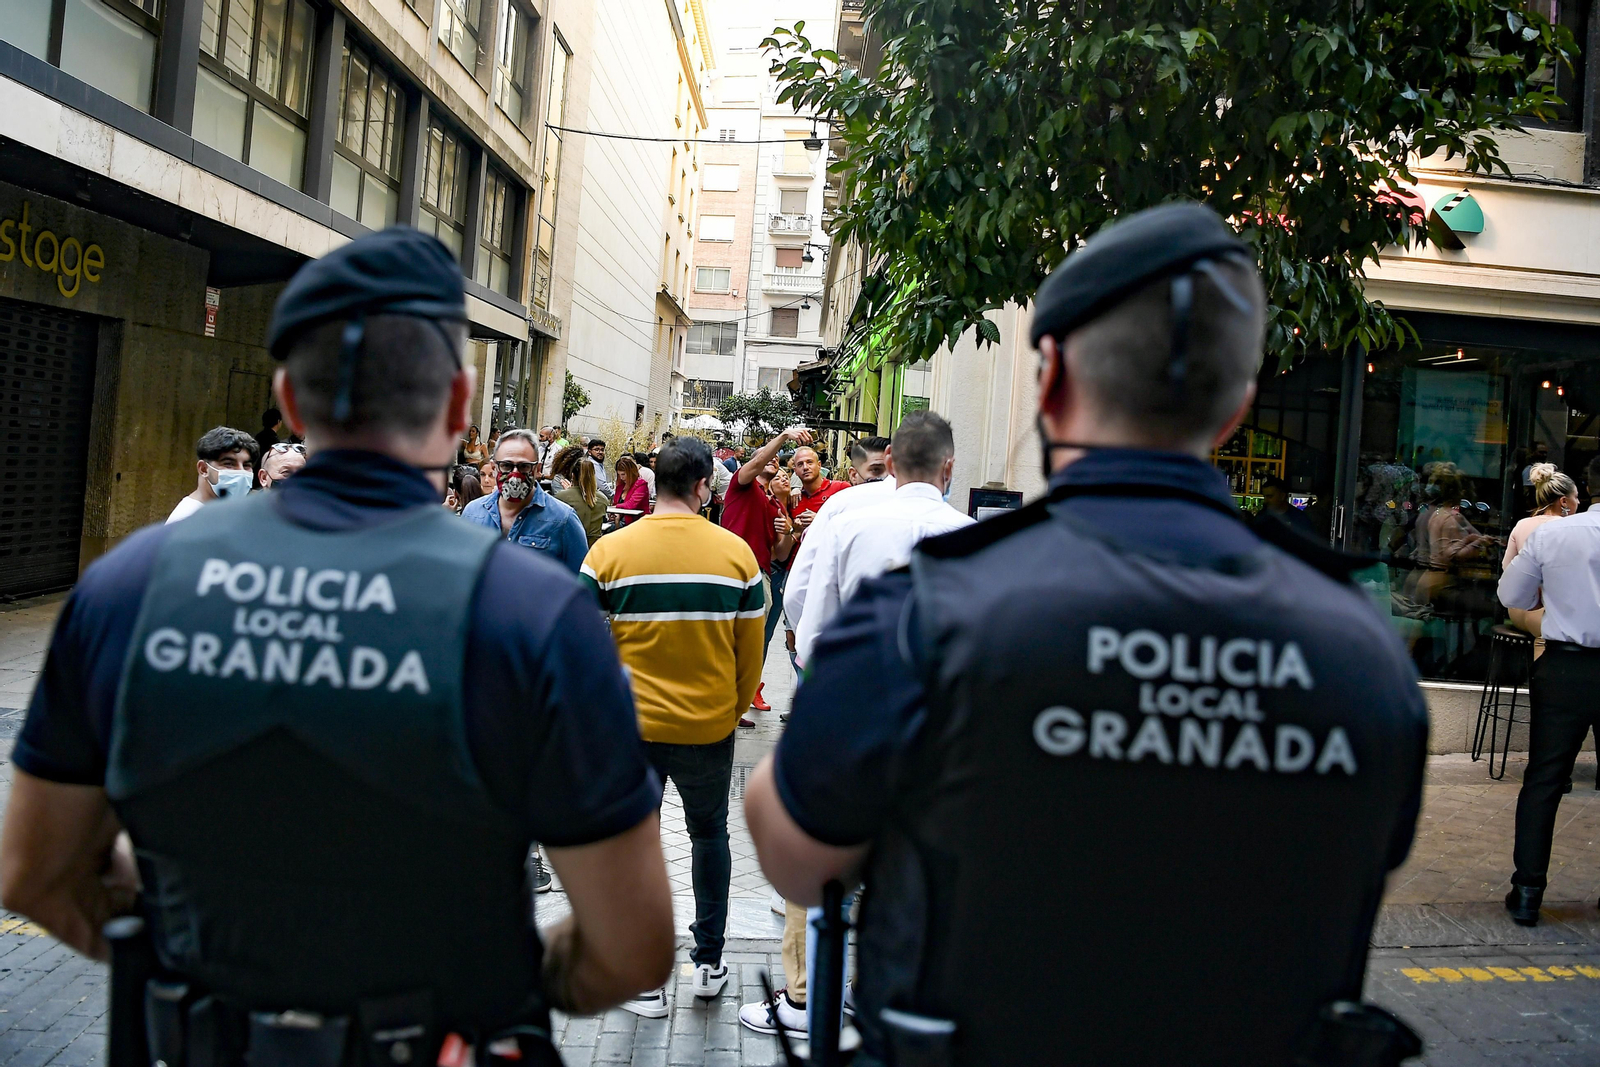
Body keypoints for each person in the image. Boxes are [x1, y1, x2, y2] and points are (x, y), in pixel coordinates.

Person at [742, 203, 1429, 1067]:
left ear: (1054, 378)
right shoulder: (1360, 646)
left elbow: (800, 861)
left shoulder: (931, 611)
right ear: (1237, 407)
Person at [0, 227, 675, 1058]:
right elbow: (631, 945)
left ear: (289, 398)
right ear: (458, 404)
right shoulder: (531, 614)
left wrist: (187, 936)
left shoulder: (128, 586)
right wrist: (498, 978)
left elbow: (34, 871)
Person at [579, 438, 764, 1017]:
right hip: (707, 726)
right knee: (710, 837)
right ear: (705, 485)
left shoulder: (609, 553)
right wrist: (729, 709)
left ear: (654, 482)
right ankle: (708, 963)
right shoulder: (736, 556)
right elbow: (750, 655)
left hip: (630, 728)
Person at [791, 414, 972, 670]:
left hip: (857, 678)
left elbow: (810, 620)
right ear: (949, 468)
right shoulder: (977, 539)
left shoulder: (844, 528)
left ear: (889, 461)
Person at [1498, 471, 1600, 924]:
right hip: (1569, 664)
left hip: (1565, 666)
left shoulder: (1554, 534)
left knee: (1544, 779)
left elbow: (1511, 594)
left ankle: (1527, 892)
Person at [721, 428, 807, 719]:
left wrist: (791, 531)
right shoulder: (742, 484)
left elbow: (779, 553)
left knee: (751, 641)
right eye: (768, 457)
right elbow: (757, 463)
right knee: (726, 636)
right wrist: (783, 437)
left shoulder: (774, 504)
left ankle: (736, 702)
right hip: (731, 569)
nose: (774, 462)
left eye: (778, 461)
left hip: (761, 575)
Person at [462, 429, 589, 573]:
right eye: (506, 465)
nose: (515, 474)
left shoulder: (563, 520)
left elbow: (580, 580)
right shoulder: (472, 514)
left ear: (536, 468)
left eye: (524, 466)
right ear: (494, 467)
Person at [1502, 463, 1579, 639]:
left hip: (1516, 612)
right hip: (1545, 613)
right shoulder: (1567, 528)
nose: (1579, 502)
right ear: (1564, 501)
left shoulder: (1522, 524)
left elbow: (1507, 569)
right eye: (1576, 497)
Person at [167, 426, 259, 523]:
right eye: (229, 464)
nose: (241, 471)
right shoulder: (189, 520)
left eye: (246, 465)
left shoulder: (222, 513)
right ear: (203, 469)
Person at [551, 445, 606, 546]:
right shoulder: (603, 499)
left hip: (570, 547)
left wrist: (569, 492)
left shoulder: (561, 497)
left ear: (573, 475)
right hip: (594, 548)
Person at [613, 455, 651, 526]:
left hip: (638, 522)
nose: (621, 477)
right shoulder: (620, 486)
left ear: (631, 473)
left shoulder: (641, 484)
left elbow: (631, 505)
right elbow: (615, 503)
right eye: (619, 475)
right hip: (621, 521)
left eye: (623, 474)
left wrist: (616, 507)